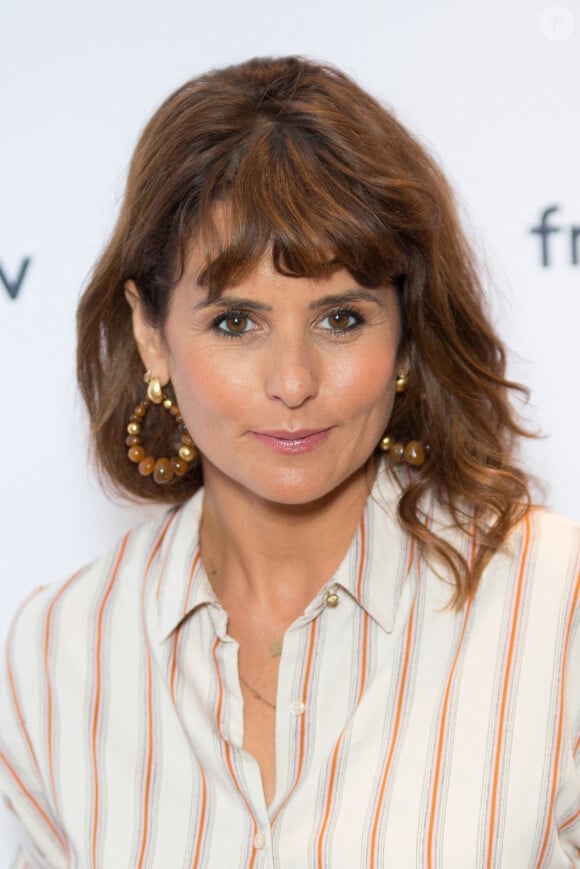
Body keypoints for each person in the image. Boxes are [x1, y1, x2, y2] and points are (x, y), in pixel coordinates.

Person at [1, 55, 578, 868]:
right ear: (149, 335)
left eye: (342, 318)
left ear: (406, 328)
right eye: (236, 323)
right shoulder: (58, 653)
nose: (295, 383)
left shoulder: (556, 610)